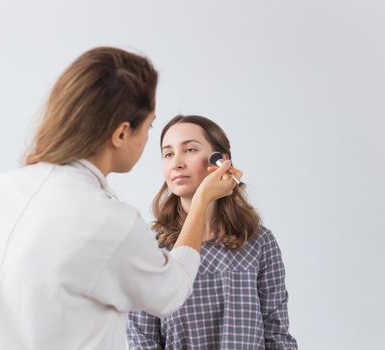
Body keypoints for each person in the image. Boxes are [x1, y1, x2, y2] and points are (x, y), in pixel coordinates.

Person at [0, 48, 239, 350]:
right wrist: (201, 201)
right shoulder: (109, 222)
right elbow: (173, 288)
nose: (150, 141)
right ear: (121, 134)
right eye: (148, 127)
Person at [127, 115, 298, 349]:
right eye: (168, 154)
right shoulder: (148, 247)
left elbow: (277, 335)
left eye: (189, 149)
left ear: (221, 161)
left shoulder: (259, 242)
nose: (176, 162)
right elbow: (143, 342)